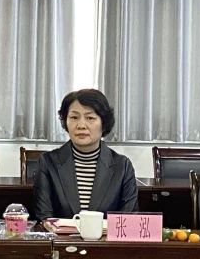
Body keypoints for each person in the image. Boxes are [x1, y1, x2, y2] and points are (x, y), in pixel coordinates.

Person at [33, 89, 138, 220]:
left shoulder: (122, 166)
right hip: (61, 235)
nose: (81, 125)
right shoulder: (48, 163)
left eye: (90, 118)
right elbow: (44, 217)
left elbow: (128, 220)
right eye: (74, 117)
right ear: (65, 121)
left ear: (104, 123)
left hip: (106, 235)